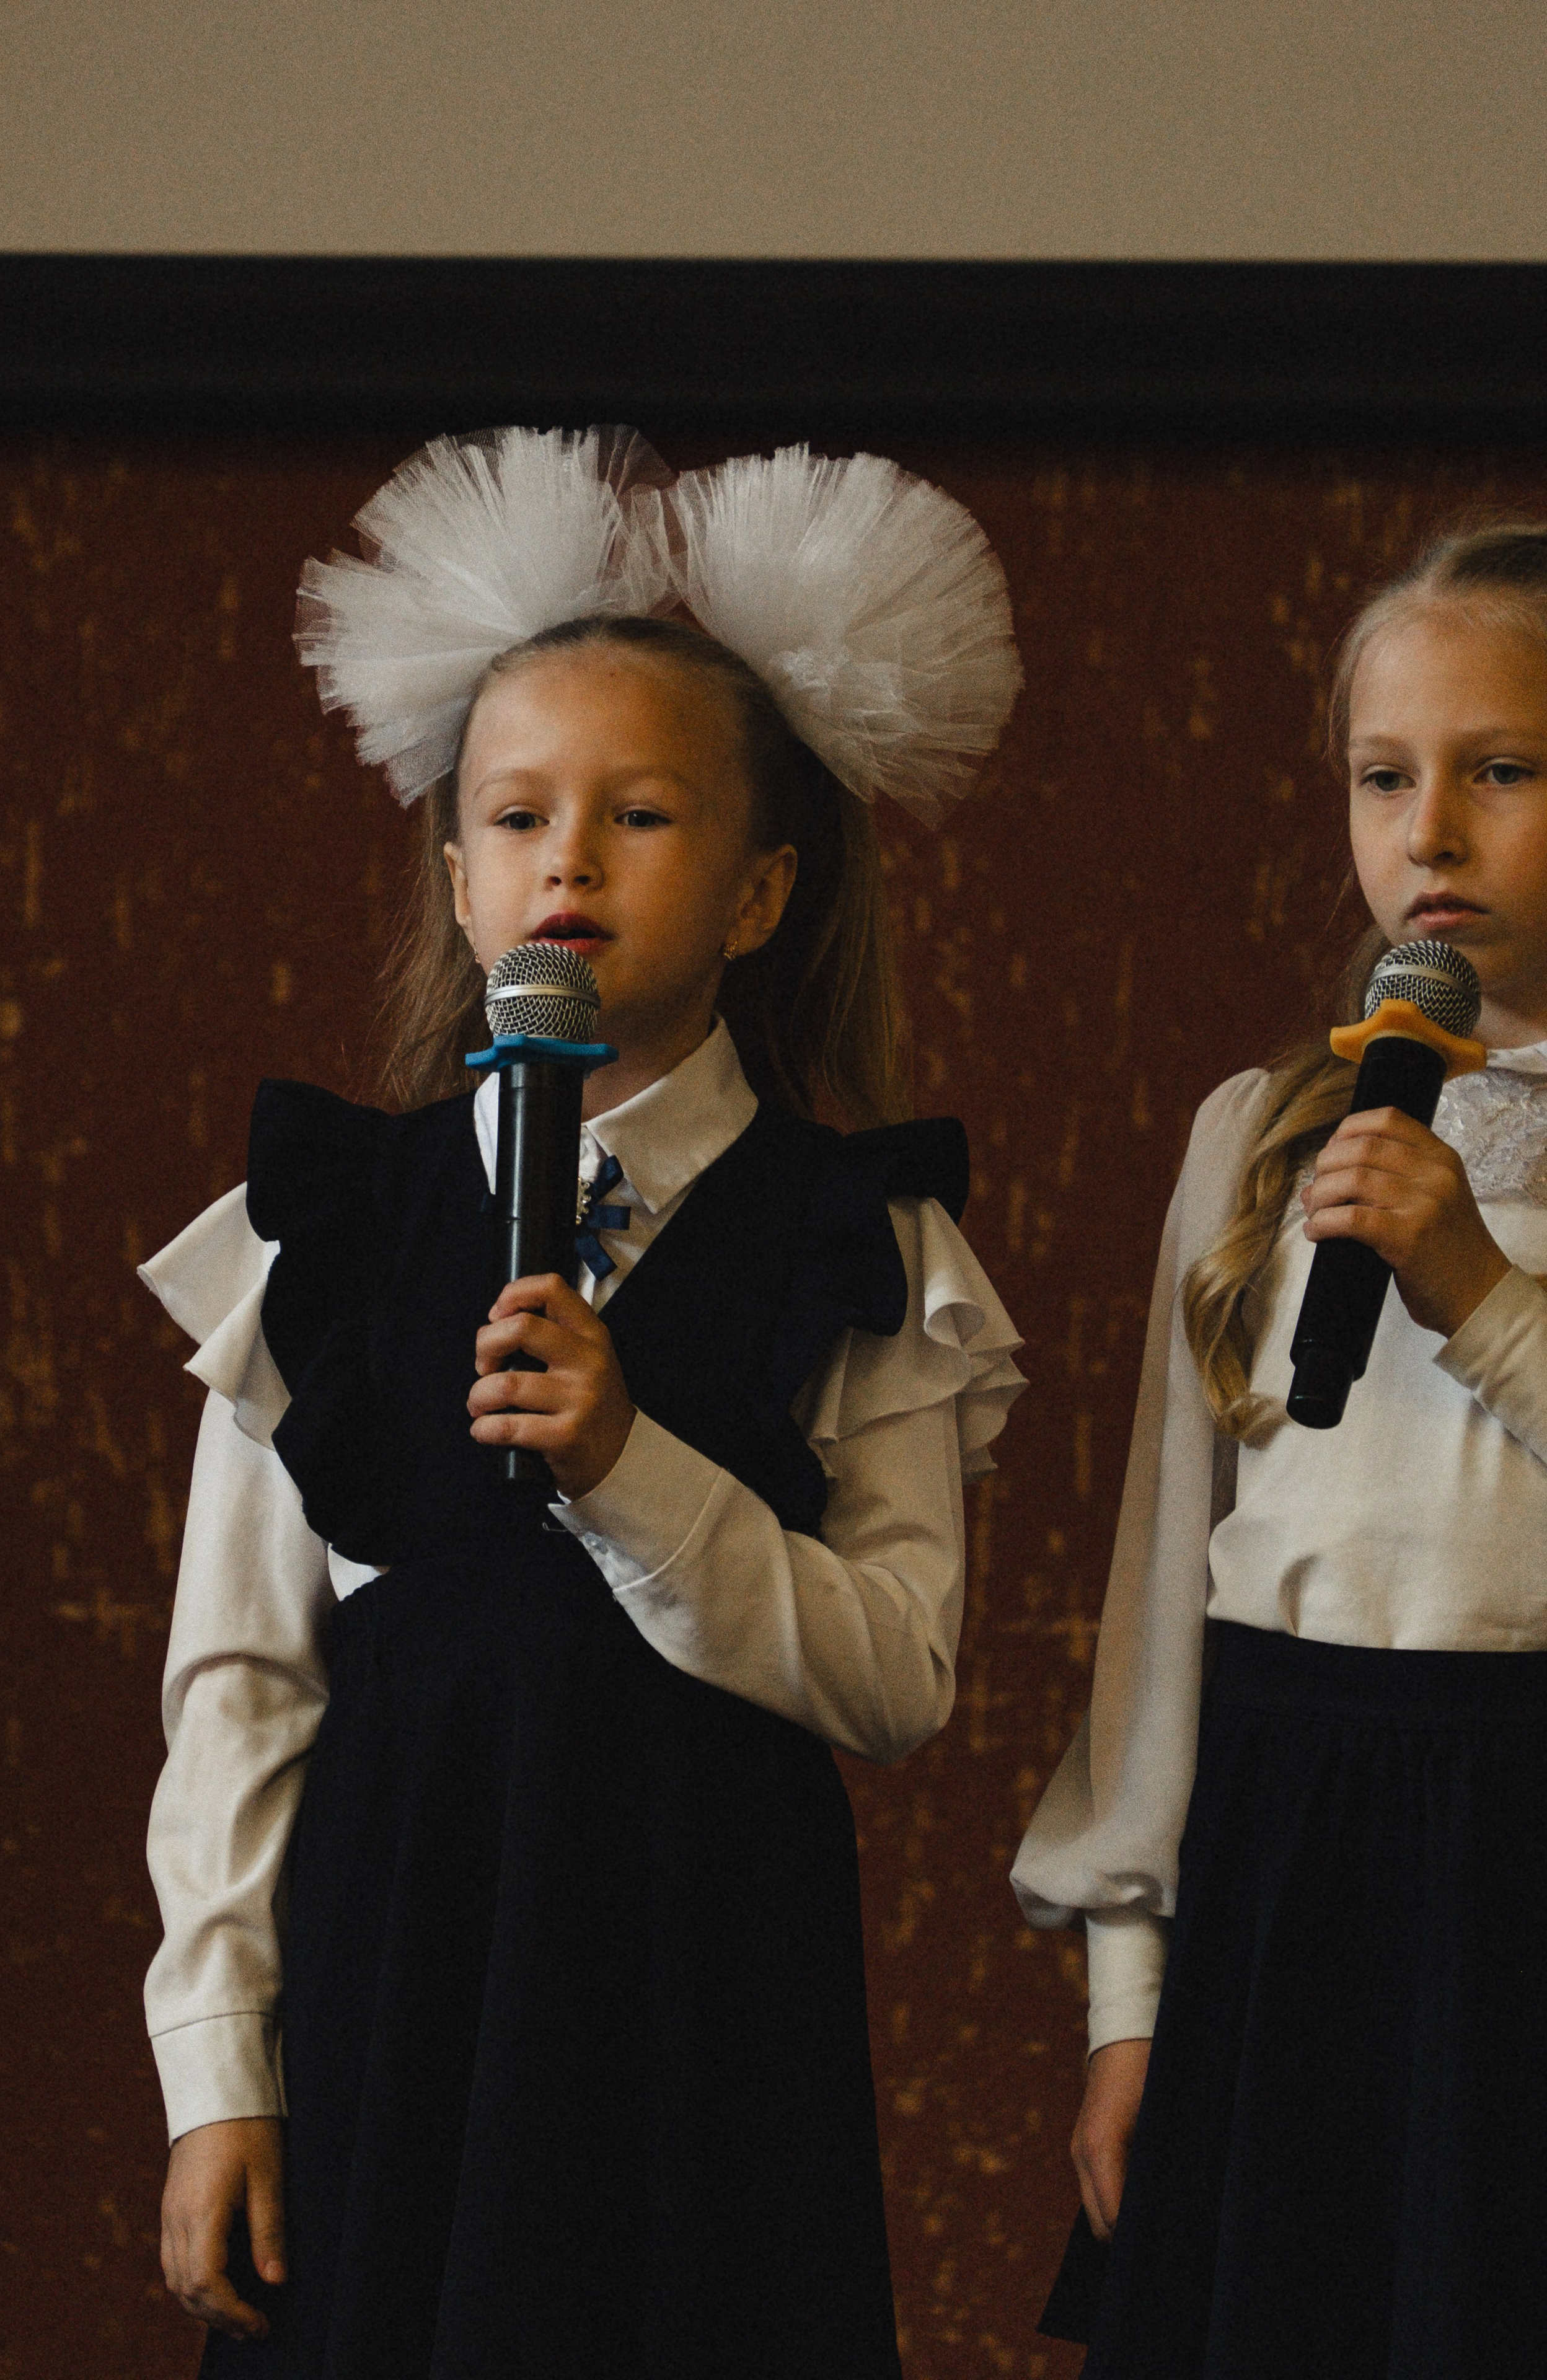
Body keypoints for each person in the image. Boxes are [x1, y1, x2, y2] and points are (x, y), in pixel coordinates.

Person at [141, 426, 1026, 2379]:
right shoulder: (337, 1232)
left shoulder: (856, 1244)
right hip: (396, 1994)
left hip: (697, 2007)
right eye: (519, 815)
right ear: (456, 875)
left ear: (762, 887)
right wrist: (218, 2064)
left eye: (639, 817)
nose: (569, 860)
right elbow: (244, 1676)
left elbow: (898, 1673)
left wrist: (640, 1472)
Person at [1011, 521, 1547, 2378]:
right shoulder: (1263, 1129)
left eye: (1502, 772)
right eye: (1386, 777)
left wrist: (1470, 1277)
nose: (1434, 834)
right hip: (1293, 1830)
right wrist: (1128, 1993)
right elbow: (1165, 1578)